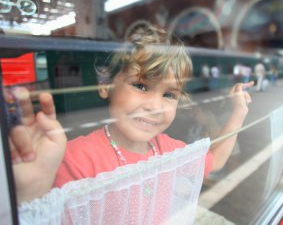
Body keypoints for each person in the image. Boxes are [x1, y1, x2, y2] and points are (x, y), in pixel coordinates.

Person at [9, 26, 253, 202]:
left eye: (169, 95)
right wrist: (30, 193)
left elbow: (215, 160)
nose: (155, 106)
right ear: (105, 85)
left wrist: (239, 110)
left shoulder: (170, 151)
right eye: (141, 86)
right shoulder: (75, 160)